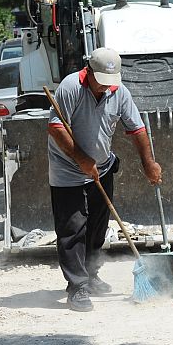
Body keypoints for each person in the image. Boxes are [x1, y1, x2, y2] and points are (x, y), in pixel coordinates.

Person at [47, 47, 162, 312]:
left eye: (110, 82)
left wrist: (148, 163)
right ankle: (77, 287)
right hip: (68, 172)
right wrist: (82, 160)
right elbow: (55, 128)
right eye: (101, 81)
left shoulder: (118, 91)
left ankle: (91, 274)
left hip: (103, 167)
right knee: (73, 229)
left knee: (98, 227)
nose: (106, 88)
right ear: (88, 71)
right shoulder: (70, 87)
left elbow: (137, 128)